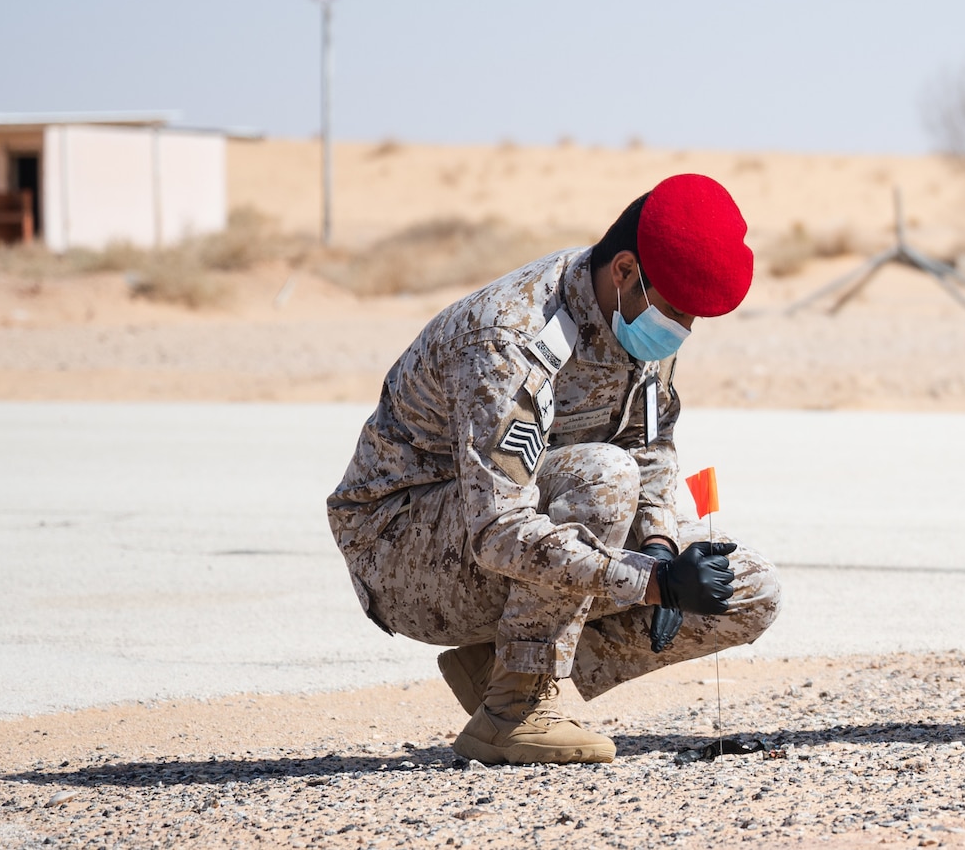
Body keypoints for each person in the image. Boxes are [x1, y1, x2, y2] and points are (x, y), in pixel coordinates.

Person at [327, 173, 781, 763]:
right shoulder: (510, 338)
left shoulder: (632, 323)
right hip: (403, 549)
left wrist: (663, 547)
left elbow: (652, 447)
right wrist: (651, 583)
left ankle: (497, 669)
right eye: (675, 311)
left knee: (748, 590)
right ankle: (515, 711)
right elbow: (499, 530)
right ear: (623, 272)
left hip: (516, 529)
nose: (682, 331)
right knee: (603, 477)